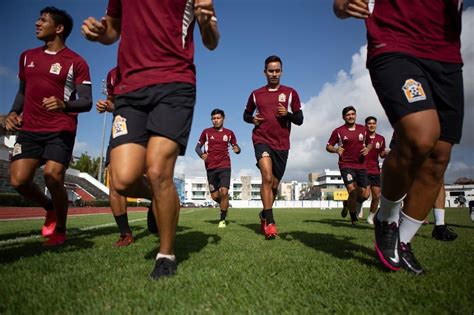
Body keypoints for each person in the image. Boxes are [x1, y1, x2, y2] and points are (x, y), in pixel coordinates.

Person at [82, 0, 219, 279]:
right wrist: (100, 32)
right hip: (129, 90)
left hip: (174, 83)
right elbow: (113, 30)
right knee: (123, 179)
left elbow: (212, 40)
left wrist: (206, 23)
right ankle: (159, 198)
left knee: (158, 170)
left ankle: (165, 255)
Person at [334, 0, 465, 275]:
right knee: (421, 136)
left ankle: (403, 242)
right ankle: (387, 217)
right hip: (395, 42)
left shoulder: (376, 136)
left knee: (439, 157)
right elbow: (339, 4)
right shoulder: (343, 131)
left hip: (446, 53)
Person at [5, 7, 92, 246]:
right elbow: (22, 91)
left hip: (61, 128)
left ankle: (61, 229)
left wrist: (64, 104)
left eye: (43, 20)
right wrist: (13, 112)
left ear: (59, 28)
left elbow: (87, 101)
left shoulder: (76, 62)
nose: (36, 23)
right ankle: (50, 207)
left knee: (53, 175)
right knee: (19, 182)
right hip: (31, 129)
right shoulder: (26, 57)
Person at [243, 55, 303, 239]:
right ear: (265, 72)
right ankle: (270, 223)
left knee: (274, 186)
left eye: (277, 70)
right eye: (271, 71)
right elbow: (246, 115)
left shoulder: (291, 92)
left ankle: (263, 213)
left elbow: (299, 120)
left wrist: (288, 114)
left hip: (282, 145)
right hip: (261, 139)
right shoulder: (256, 94)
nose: (274, 74)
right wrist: (253, 119)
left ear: (281, 72)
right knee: (266, 177)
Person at [195, 109, 241, 228]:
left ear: (223, 118)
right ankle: (224, 204)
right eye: (213, 118)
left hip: (225, 165)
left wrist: (237, 150)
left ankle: (222, 219)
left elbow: (236, 147)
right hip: (210, 167)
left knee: (224, 191)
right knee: (215, 196)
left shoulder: (229, 133)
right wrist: (201, 154)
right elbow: (197, 148)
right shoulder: (206, 132)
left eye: (218, 118)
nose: (215, 120)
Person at [326, 106, 371, 226]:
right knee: (352, 191)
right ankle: (353, 219)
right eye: (348, 115)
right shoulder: (338, 131)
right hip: (346, 164)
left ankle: (346, 204)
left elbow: (370, 143)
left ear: (355, 115)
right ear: (343, 117)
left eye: (352, 114)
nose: (351, 116)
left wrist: (367, 149)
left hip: (361, 165)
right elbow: (328, 146)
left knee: (365, 195)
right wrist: (336, 150)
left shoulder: (363, 129)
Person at [364, 116, 387, 225]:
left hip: (375, 170)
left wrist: (386, 153)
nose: (371, 125)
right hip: (363, 169)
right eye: (369, 123)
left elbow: (381, 154)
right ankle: (353, 204)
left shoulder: (381, 138)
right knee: (365, 195)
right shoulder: (362, 138)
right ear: (366, 125)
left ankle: (371, 217)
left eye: (373, 123)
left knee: (377, 195)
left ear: (376, 125)